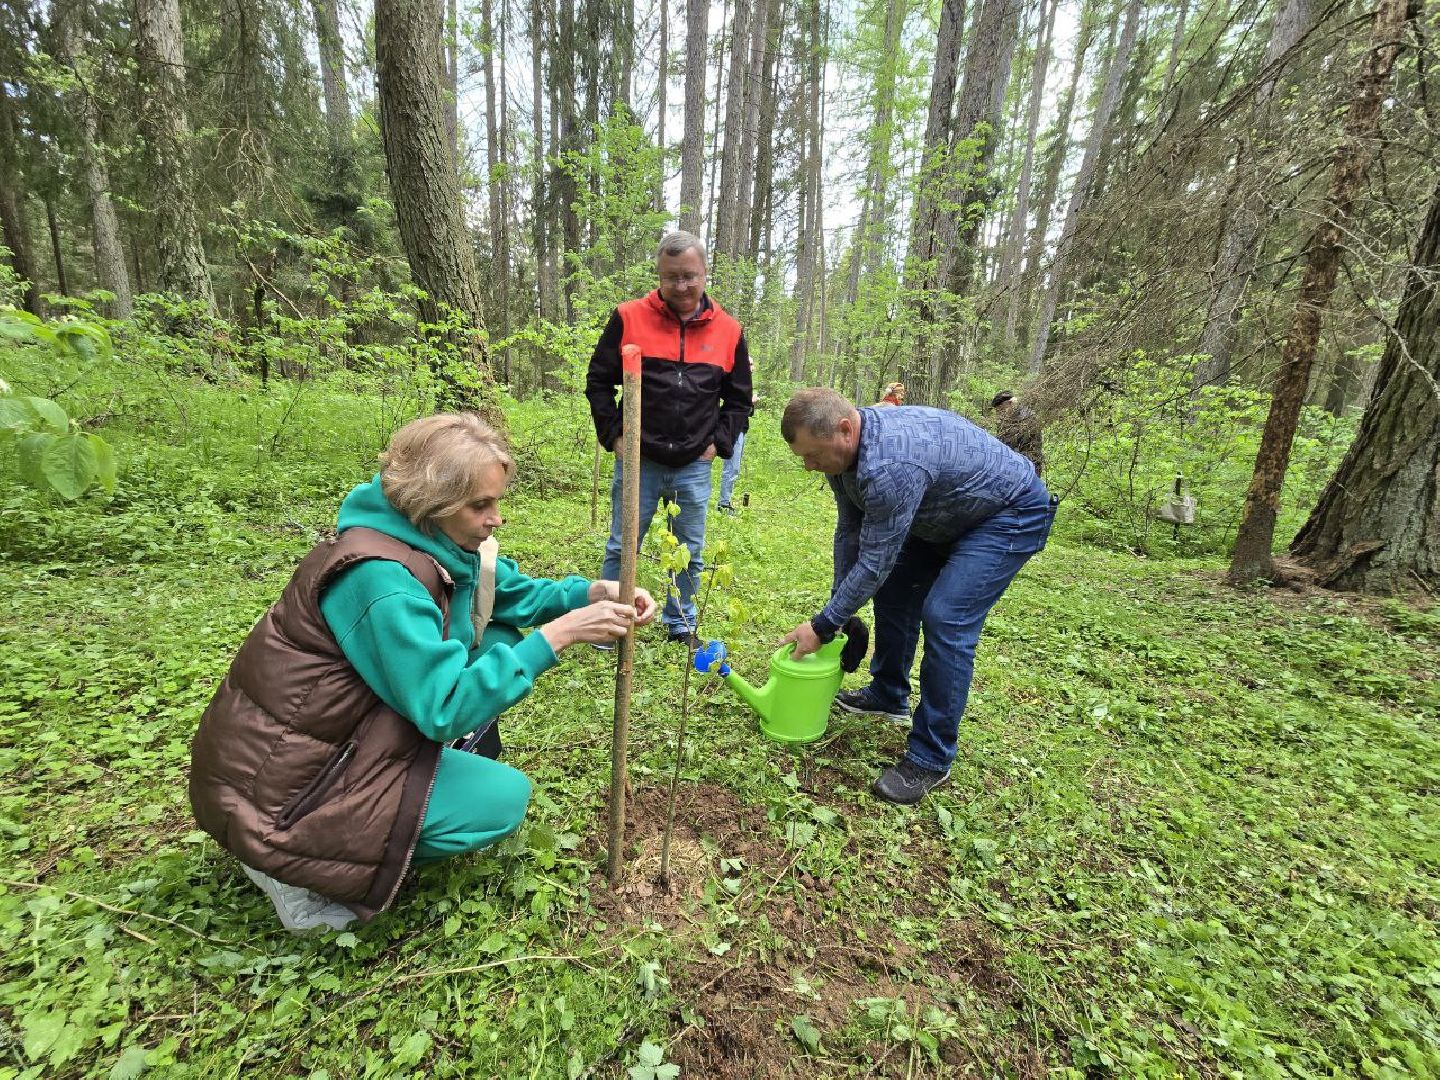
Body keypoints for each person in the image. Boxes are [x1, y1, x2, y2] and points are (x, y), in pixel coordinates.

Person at [189, 413, 656, 931]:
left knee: (498, 638)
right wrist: (560, 635)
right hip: (286, 792)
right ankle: (295, 869)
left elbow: (502, 591)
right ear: (432, 501)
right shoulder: (381, 581)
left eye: (497, 501)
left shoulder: (431, 540)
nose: (496, 518)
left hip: (337, 739)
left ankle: (401, 788)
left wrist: (590, 593)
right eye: (480, 505)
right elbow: (445, 707)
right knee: (500, 801)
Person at [780, 388, 1056, 805]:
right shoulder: (842, 458)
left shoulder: (890, 466)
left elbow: (874, 561)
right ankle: (888, 694)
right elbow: (851, 531)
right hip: (945, 512)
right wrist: (841, 613)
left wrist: (823, 624)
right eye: (803, 457)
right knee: (895, 588)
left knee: (946, 616)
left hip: (1009, 513)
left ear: (845, 429)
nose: (808, 466)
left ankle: (931, 757)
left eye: (813, 455)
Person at [586, 231, 753, 646]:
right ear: (659, 275)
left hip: (694, 464)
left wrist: (719, 443)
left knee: (690, 551)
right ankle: (608, 622)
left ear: (705, 273)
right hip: (639, 459)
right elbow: (598, 381)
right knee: (623, 546)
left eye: (689, 276)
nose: (681, 286)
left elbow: (739, 400)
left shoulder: (729, 330)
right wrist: (613, 435)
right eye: (671, 277)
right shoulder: (629, 317)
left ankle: (681, 623)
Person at [717, 389, 759, 515]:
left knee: (733, 468)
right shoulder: (735, 384)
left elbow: (746, 412)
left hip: (740, 429)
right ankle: (724, 504)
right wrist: (749, 402)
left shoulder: (744, 386)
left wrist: (751, 405)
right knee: (732, 467)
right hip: (733, 428)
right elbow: (734, 407)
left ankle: (725, 502)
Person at [991, 390, 1044, 474]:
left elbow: (1025, 446)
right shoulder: (1004, 421)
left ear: (1010, 403)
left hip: (1029, 467)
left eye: (1001, 409)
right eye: (998, 411)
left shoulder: (1028, 419)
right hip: (1011, 467)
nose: (999, 414)